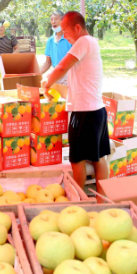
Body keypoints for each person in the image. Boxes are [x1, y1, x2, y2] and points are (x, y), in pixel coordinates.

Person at [41, 11, 109, 190]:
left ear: (77, 28)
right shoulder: (92, 42)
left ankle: (77, 198)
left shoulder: (83, 42)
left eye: (66, 31)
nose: (64, 36)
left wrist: (47, 83)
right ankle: (103, 198)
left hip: (84, 112)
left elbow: (62, 66)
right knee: (98, 158)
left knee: (77, 158)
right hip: (97, 110)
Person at [40, 11, 72, 85]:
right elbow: (48, 62)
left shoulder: (70, 38)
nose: (53, 21)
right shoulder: (50, 40)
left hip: (69, 74)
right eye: (51, 19)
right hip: (56, 74)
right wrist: (37, 74)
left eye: (56, 19)